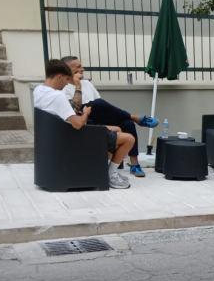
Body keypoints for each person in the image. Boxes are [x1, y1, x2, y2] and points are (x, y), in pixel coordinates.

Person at [33, 59, 133, 189]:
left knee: (117, 129)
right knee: (129, 139)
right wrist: (85, 113)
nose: (66, 84)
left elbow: (65, 111)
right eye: (66, 80)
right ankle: (111, 175)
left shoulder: (39, 90)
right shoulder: (58, 96)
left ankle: (101, 171)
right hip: (73, 137)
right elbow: (78, 124)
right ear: (59, 76)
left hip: (58, 134)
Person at [61, 56, 157, 177]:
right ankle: (134, 117)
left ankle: (134, 164)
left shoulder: (87, 84)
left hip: (98, 115)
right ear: (68, 70)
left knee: (127, 123)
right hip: (85, 121)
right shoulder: (64, 89)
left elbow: (102, 106)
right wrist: (77, 86)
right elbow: (74, 111)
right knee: (97, 103)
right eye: (78, 67)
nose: (83, 69)